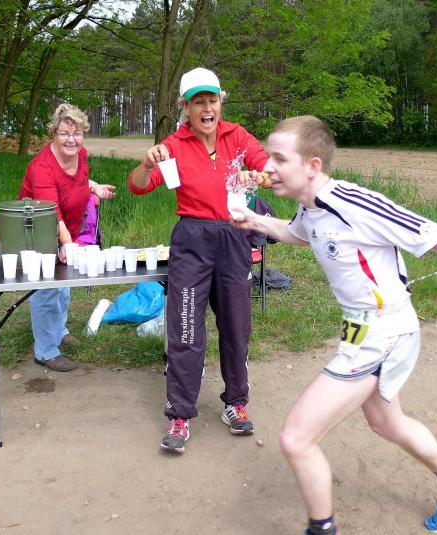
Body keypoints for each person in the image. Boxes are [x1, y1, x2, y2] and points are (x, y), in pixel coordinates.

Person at [232, 116, 437, 534]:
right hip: (362, 330)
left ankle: (322, 529)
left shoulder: (356, 204)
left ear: (313, 166)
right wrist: (256, 221)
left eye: (279, 158)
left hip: (384, 333)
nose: (267, 167)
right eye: (269, 156)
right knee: (386, 422)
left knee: (296, 439)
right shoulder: (310, 205)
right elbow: (302, 233)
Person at [128, 67, 267, 453]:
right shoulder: (173, 145)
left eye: (212, 101)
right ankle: (180, 415)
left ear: (221, 102)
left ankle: (235, 403)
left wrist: (259, 177)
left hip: (233, 237)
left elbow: (267, 168)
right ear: (185, 107)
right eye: (198, 102)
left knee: (236, 326)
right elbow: (139, 187)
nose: (207, 109)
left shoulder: (237, 136)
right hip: (192, 240)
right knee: (186, 329)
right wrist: (147, 164)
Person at [18, 103, 116, 372]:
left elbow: (80, 181)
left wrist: (94, 187)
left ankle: (59, 331)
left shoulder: (81, 154)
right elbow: (52, 213)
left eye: (77, 133)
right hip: (37, 230)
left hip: (66, 227)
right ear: (54, 134)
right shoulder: (41, 168)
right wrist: (68, 243)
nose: (71, 139)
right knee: (47, 288)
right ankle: (46, 351)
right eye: (64, 133)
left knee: (64, 282)